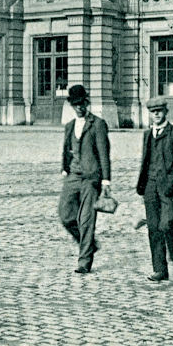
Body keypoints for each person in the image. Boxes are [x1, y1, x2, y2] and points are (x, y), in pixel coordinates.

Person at [136, 97, 173, 282]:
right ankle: (160, 269)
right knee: (154, 228)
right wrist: (143, 188)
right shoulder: (147, 134)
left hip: (170, 189)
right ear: (150, 114)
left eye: (159, 111)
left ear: (166, 112)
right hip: (150, 188)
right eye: (153, 112)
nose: (157, 114)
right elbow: (145, 162)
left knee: (166, 224)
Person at [59, 84, 111, 275]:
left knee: (87, 219)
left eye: (82, 103)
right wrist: (65, 169)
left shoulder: (97, 124)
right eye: (76, 104)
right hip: (73, 175)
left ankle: (84, 261)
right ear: (72, 105)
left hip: (91, 178)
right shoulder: (70, 126)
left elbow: (104, 154)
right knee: (65, 215)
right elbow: (65, 149)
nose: (79, 107)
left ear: (87, 102)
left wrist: (106, 181)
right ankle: (88, 243)